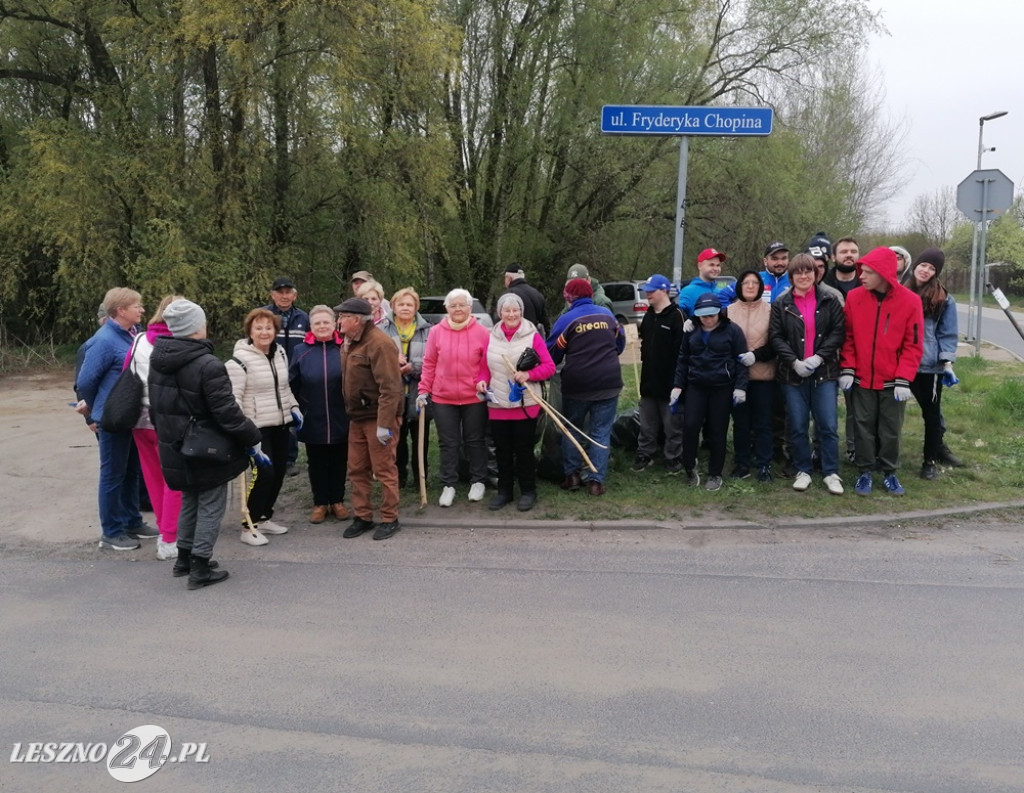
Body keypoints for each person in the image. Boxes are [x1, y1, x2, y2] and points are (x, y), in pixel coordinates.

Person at [148, 299, 265, 589]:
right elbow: (226, 412)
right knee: (212, 504)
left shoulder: (158, 359)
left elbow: (155, 407)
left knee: (190, 499)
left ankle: (184, 559)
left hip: (174, 444)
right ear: (196, 326)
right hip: (206, 448)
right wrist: (253, 437)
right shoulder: (207, 364)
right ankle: (200, 566)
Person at [74, 288, 158, 551]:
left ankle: (132, 521)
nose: (142, 309)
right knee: (112, 474)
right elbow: (85, 382)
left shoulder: (133, 335)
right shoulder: (104, 340)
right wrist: (96, 408)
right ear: (121, 310)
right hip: (112, 418)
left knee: (132, 471)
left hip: (131, 416)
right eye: (137, 306)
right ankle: (111, 532)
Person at [839, 247, 924, 497]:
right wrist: (848, 367)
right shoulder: (854, 298)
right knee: (862, 426)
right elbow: (848, 338)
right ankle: (864, 471)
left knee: (890, 429)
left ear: (883, 273)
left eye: (866, 272)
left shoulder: (910, 301)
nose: (861, 276)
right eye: (861, 272)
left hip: (892, 381)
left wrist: (904, 379)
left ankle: (889, 472)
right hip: (862, 378)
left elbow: (914, 343)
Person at [769, 255, 846, 495]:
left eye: (808, 272)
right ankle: (803, 469)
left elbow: (838, 332)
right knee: (798, 425)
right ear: (791, 276)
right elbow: (776, 337)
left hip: (824, 372)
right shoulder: (781, 303)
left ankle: (831, 471)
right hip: (793, 375)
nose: (804, 276)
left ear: (816, 274)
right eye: (799, 273)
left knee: (827, 425)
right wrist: (794, 362)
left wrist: (818, 357)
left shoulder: (830, 299)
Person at [226, 308, 302, 544]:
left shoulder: (279, 353)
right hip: (256, 428)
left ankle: (264, 516)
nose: (264, 332)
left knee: (279, 472)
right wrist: (244, 434)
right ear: (249, 331)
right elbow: (234, 399)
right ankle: (248, 526)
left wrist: (294, 408)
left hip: (280, 424)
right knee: (263, 473)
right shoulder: (239, 360)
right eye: (258, 328)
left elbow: (284, 388)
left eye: (268, 327)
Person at [547, 278, 625, 496]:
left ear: (569, 297)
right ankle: (596, 482)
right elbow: (619, 344)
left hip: (578, 384)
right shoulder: (607, 315)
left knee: (573, 429)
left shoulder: (566, 319)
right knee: (601, 432)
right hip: (609, 382)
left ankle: (571, 476)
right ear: (591, 294)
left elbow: (553, 352)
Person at [336, 297, 404, 540]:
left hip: (378, 417)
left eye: (343, 317)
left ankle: (389, 518)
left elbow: (391, 388)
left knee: (383, 469)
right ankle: (363, 516)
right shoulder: (349, 341)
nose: (340, 320)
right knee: (356, 469)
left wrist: (385, 424)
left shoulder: (380, 344)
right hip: (357, 417)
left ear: (356, 320)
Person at [418, 288, 492, 506]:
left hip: (473, 397)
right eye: (454, 305)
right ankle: (448, 484)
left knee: (475, 441)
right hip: (443, 397)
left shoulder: (482, 332)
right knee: (448, 443)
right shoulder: (436, 332)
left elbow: (486, 365)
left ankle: (478, 481)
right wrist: (424, 389)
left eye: (462, 305)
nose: (458, 309)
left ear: (470, 308)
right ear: (447, 308)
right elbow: (429, 363)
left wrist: (482, 380)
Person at [482, 293, 556, 511]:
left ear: (521, 312)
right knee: (502, 451)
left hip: (525, 405)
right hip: (497, 404)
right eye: (507, 310)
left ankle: (528, 491)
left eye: (515, 310)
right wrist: (481, 382)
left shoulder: (532, 335)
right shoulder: (491, 336)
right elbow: (484, 367)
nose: (511, 314)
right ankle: (504, 491)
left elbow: (549, 367)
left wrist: (529, 375)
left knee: (523, 450)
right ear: (499, 313)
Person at [671, 292, 748, 492]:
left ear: (719, 313)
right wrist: (677, 386)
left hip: (722, 387)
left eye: (711, 315)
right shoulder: (691, 330)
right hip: (696, 385)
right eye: (703, 315)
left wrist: (740, 387)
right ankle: (690, 467)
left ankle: (715, 473)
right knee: (690, 425)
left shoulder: (732, 331)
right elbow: (683, 359)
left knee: (717, 430)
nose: (707, 318)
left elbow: (741, 362)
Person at [129, 295, 185, 560]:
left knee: (153, 476)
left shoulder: (139, 339)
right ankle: (170, 538)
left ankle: (164, 530)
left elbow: (125, 373)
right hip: (169, 418)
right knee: (175, 478)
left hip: (140, 419)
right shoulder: (179, 342)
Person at [900, 248, 960, 480]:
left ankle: (930, 460)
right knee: (891, 414)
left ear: (936, 273)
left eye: (932, 268)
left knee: (932, 416)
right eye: (923, 265)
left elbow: (947, 334)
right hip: (901, 364)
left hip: (929, 366)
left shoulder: (944, 299)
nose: (925, 270)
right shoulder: (899, 292)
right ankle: (883, 456)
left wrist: (947, 363)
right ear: (915, 266)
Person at [289, 305, 350, 523]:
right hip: (312, 415)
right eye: (317, 323)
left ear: (335, 324)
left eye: (326, 322)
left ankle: (337, 501)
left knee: (339, 460)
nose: (322, 326)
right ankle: (320, 503)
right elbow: (292, 383)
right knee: (316, 462)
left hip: (340, 414)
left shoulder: (345, 348)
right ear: (311, 326)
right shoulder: (300, 350)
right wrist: (298, 408)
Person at [727, 271, 777, 482]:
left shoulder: (770, 311)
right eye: (745, 282)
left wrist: (755, 355)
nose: (749, 286)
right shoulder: (728, 311)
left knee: (764, 423)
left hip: (763, 377)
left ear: (760, 287)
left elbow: (776, 344)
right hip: (737, 380)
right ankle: (742, 463)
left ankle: (764, 464)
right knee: (741, 424)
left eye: (754, 282)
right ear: (739, 286)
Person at [633, 273, 684, 474]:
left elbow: (682, 352)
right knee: (647, 424)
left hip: (669, 383)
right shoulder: (648, 315)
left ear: (664, 291)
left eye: (651, 291)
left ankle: (673, 457)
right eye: (646, 291)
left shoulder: (677, 315)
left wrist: (678, 383)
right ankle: (645, 453)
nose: (648, 295)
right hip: (648, 381)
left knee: (672, 426)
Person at [383, 288, 433, 489]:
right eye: (401, 304)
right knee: (398, 438)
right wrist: (392, 362)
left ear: (416, 308)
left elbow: (432, 360)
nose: (405, 308)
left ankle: (421, 476)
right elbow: (376, 359)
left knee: (421, 436)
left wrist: (413, 366)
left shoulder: (428, 330)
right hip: (393, 394)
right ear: (393, 306)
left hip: (419, 391)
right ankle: (399, 476)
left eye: (409, 304)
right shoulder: (382, 329)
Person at [263, 277, 309, 476]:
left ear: (294, 295)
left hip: (296, 375)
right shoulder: (264, 315)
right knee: (272, 417)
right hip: (270, 374)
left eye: (288, 292)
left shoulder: (303, 317)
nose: (284, 296)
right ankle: (271, 456)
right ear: (272, 295)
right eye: (280, 292)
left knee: (292, 416)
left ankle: (290, 458)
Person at [823, 236, 861, 462]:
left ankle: (854, 448)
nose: (849, 255)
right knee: (824, 408)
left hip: (856, 354)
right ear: (833, 257)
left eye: (853, 251)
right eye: (844, 251)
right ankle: (821, 448)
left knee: (855, 407)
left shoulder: (867, 282)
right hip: (826, 355)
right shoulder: (823, 284)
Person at [499, 263, 549, 336]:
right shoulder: (537, 294)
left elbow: (499, 322)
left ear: (509, 278)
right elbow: (545, 325)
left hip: (513, 342)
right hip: (533, 341)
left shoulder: (507, 296)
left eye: (505, 278)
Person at [678, 248, 729, 317]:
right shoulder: (688, 292)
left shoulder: (721, 292)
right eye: (711, 265)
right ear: (700, 266)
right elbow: (676, 315)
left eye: (718, 265)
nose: (716, 269)